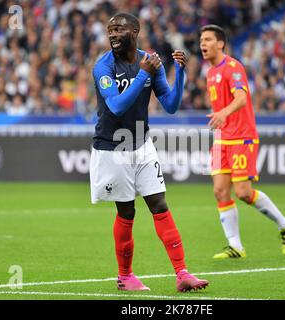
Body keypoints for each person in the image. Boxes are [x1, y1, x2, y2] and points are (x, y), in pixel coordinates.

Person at [90, 13, 208, 292]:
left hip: (142, 144)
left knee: (160, 205)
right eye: (110, 30)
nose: (113, 34)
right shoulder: (103, 67)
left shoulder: (151, 61)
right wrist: (143, 73)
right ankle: (125, 276)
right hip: (112, 148)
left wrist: (179, 74)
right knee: (127, 211)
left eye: (119, 29)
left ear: (135, 30)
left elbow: (170, 105)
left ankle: (182, 274)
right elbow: (116, 107)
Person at [200, 24, 285, 259]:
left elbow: (241, 98)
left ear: (220, 43)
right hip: (222, 137)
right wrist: (220, 118)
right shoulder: (210, 72)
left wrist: (223, 113)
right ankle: (236, 246)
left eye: (208, 39)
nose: (203, 44)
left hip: (242, 136)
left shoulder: (233, 67)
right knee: (220, 190)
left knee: (243, 192)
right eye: (201, 40)